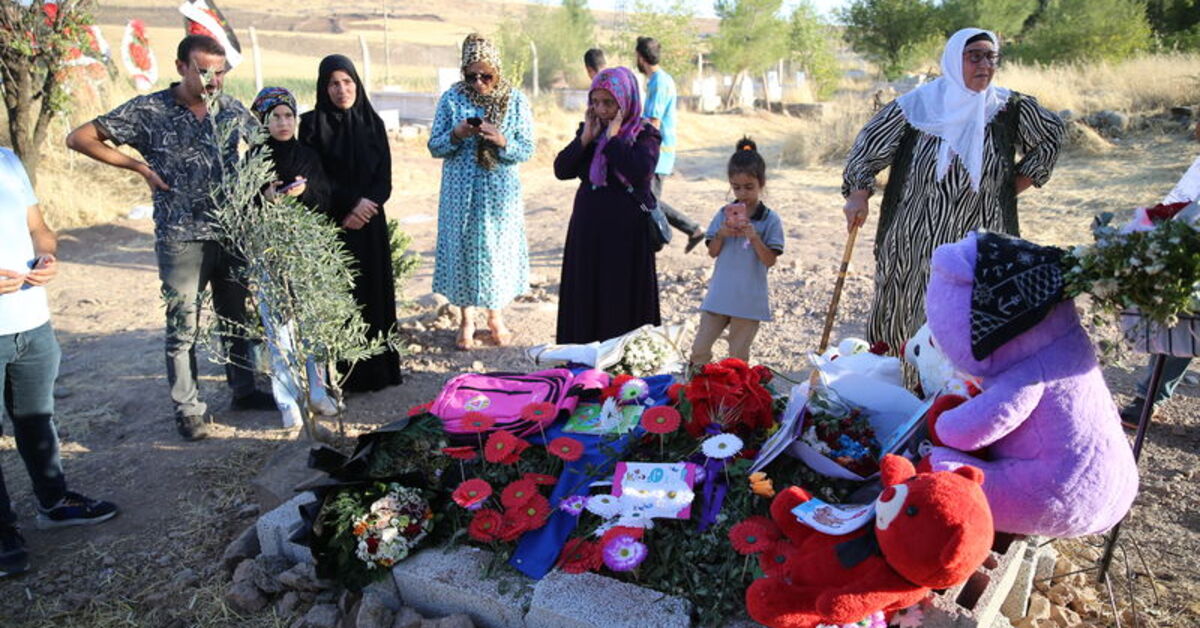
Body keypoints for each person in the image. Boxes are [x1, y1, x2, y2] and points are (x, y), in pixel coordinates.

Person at [65, 35, 275, 442]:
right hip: (181, 238)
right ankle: (189, 410)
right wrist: (138, 167)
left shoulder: (230, 109)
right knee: (183, 325)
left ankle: (245, 391)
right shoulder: (148, 111)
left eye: (221, 72)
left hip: (230, 234)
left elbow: (269, 147)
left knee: (237, 319)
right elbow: (79, 138)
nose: (214, 80)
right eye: (204, 71)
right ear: (181, 67)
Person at [842, 28, 1064, 355]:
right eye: (974, 56)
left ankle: (965, 392)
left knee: (973, 315)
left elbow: (1050, 137)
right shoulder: (914, 108)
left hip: (982, 239)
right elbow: (866, 152)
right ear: (952, 58)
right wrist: (858, 195)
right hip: (914, 239)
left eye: (991, 57)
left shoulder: (1009, 108)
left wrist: (1011, 186)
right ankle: (906, 389)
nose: (985, 65)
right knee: (909, 314)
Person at [0, 148, 118, 578]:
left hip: (32, 322)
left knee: (36, 419)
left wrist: (48, 257)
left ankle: (53, 502)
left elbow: (39, 229)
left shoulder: (8, 160)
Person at [300, 54, 401, 393]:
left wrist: (365, 207)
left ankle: (380, 372)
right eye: (333, 83)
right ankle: (347, 376)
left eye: (347, 82)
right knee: (344, 297)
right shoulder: (311, 125)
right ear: (323, 87)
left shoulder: (373, 123)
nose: (341, 89)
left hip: (369, 224)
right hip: (335, 223)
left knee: (374, 294)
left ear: (356, 84)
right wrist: (348, 205)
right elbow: (315, 177)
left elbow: (384, 179)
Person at [429, 34, 535, 351]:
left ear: (497, 71)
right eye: (471, 75)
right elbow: (435, 145)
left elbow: (527, 147)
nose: (478, 83)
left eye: (485, 75)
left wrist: (501, 141)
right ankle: (466, 320)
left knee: (495, 250)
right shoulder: (450, 99)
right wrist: (458, 134)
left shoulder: (514, 100)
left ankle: (496, 316)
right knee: (462, 248)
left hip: (499, 194)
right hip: (459, 192)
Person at [249, 86, 340, 428]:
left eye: (289, 116)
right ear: (263, 121)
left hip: (306, 253)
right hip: (271, 254)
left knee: (313, 326)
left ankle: (319, 391)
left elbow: (325, 200)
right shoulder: (254, 159)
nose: (284, 123)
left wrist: (303, 193)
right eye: (276, 117)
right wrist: (266, 198)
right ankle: (289, 401)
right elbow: (243, 206)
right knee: (280, 329)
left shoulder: (307, 155)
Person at [554, 67, 662, 343]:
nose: (601, 109)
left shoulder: (645, 135)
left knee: (620, 293)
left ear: (625, 102)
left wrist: (613, 140)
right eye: (596, 102)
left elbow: (640, 172)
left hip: (626, 233)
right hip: (588, 228)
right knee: (587, 291)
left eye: (609, 103)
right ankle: (585, 358)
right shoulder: (590, 131)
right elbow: (562, 169)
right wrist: (585, 139)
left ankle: (624, 362)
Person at [690, 138, 785, 366]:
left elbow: (769, 260)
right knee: (699, 350)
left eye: (749, 187)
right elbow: (712, 252)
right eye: (736, 187)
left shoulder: (770, 220)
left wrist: (754, 237)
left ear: (761, 183)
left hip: (748, 301)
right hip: (718, 296)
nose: (742, 193)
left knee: (737, 359)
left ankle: (734, 399)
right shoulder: (723, 213)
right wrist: (721, 234)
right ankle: (693, 393)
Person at [636, 36, 705, 254]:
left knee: (648, 201)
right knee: (648, 199)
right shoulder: (660, 80)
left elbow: (653, 122)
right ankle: (688, 230)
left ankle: (683, 231)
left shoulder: (659, 82)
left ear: (640, 57)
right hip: (659, 151)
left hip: (656, 152)